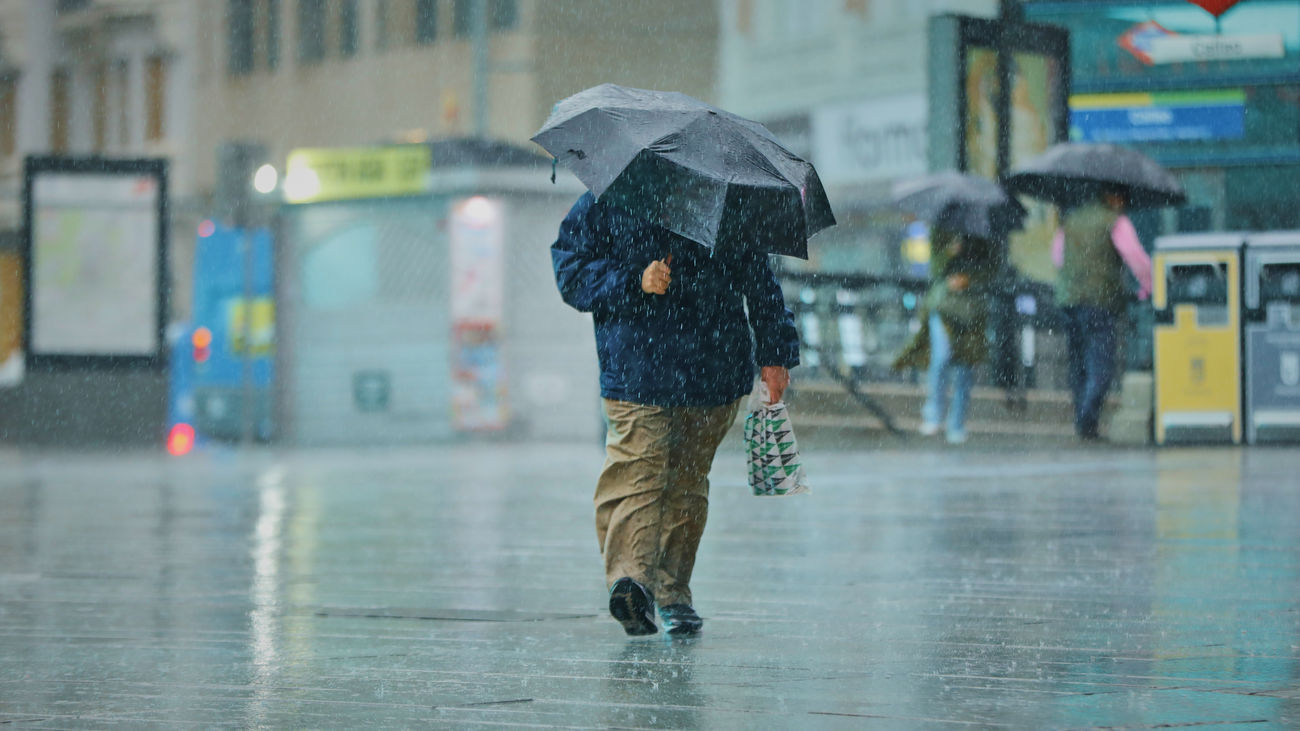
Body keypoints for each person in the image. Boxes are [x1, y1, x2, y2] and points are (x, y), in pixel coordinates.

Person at [551, 191, 800, 637]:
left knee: (686, 483)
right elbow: (571, 271)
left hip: (714, 371)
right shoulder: (607, 202)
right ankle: (632, 583)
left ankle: (673, 592)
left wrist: (775, 355)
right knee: (637, 472)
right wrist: (633, 280)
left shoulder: (727, 207)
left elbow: (761, 284)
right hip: (637, 371)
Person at [1051, 187, 1152, 440]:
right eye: (1124, 199)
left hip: (1070, 300)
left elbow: (1057, 257)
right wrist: (1150, 286)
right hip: (1099, 301)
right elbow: (1135, 257)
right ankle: (1087, 417)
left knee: (1078, 364)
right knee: (1101, 365)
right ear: (1115, 197)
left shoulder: (1071, 220)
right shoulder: (1116, 222)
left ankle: (1084, 421)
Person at [894, 227, 994, 444]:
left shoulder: (984, 234)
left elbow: (993, 268)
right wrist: (950, 252)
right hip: (944, 306)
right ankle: (934, 414)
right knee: (941, 357)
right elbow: (935, 267)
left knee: (965, 366)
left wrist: (970, 278)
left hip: (971, 309)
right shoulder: (942, 230)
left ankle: (957, 422)